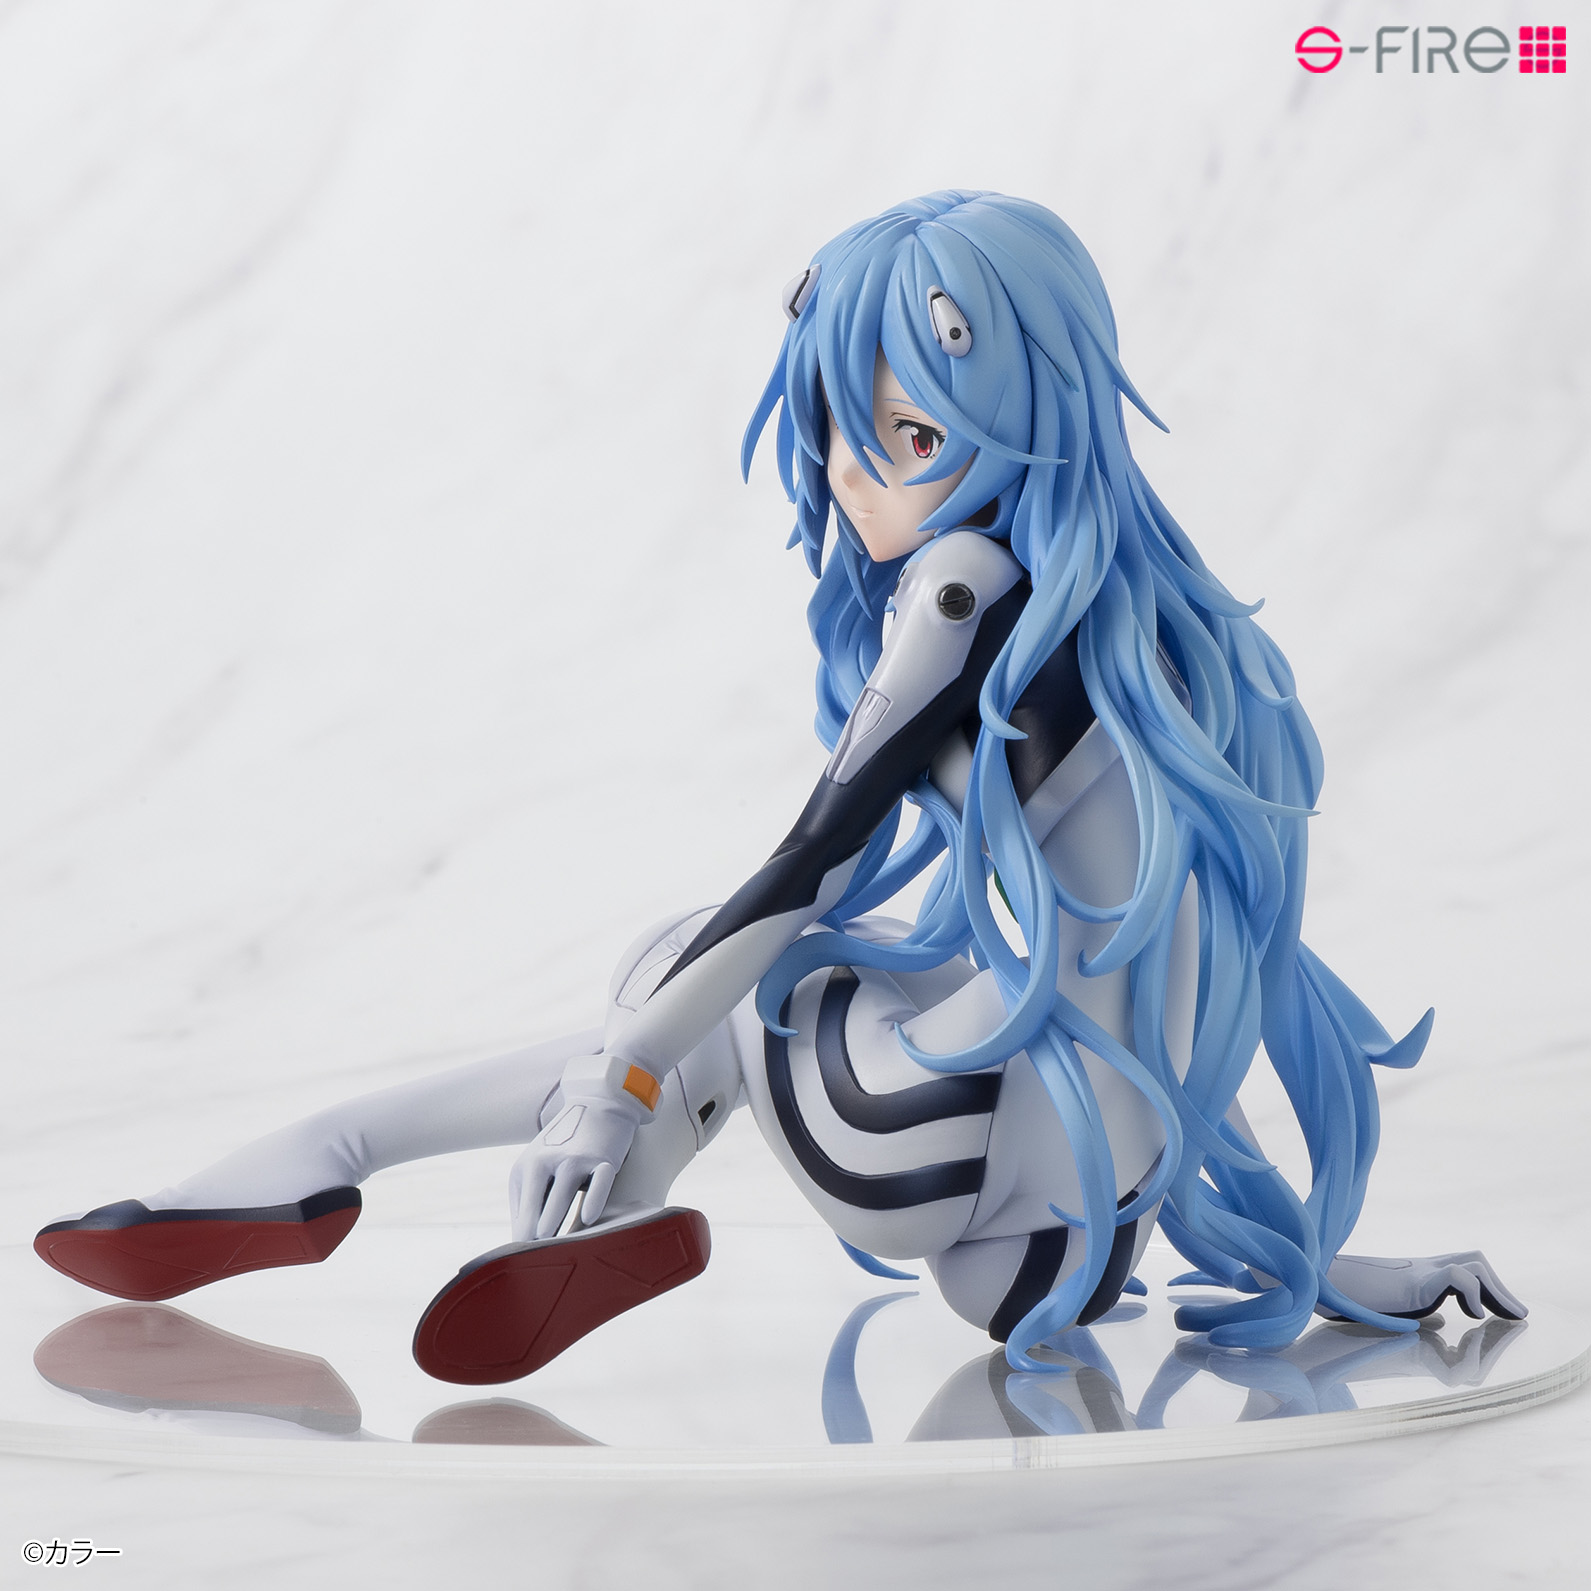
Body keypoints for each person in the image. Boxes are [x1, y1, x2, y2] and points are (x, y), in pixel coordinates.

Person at [36, 192, 1522, 1383]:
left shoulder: (963, 586)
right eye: (836, 430)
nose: (854, 474)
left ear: (1031, 412)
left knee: (725, 973)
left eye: (913, 437)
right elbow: (1186, 1004)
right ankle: (369, 1165)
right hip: (1055, 1243)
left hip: (940, 1159)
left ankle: (453, 1175)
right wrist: (1323, 1267)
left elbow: (811, 858)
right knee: (783, 976)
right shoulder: (1161, 633)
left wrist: (619, 1078)